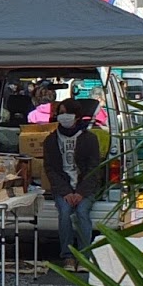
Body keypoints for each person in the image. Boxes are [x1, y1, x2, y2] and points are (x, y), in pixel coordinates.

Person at [44, 98, 102, 266]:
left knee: (83, 212)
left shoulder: (89, 139)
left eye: (67, 113)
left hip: (85, 189)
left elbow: (94, 168)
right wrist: (66, 192)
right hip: (63, 189)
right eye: (60, 113)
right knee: (64, 213)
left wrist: (81, 192)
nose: (63, 117)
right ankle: (68, 255)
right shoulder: (51, 140)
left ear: (77, 116)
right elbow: (50, 169)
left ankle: (84, 256)